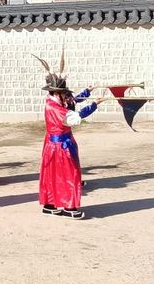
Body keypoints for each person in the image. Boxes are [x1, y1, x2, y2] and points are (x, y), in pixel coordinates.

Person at [35, 54, 104, 219]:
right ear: (56, 92)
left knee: (54, 175)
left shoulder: (55, 101)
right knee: (68, 175)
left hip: (55, 145)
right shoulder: (55, 108)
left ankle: (50, 205)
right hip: (60, 147)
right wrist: (94, 105)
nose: (66, 95)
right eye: (63, 93)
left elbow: (73, 101)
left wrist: (87, 92)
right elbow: (75, 117)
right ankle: (68, 207)